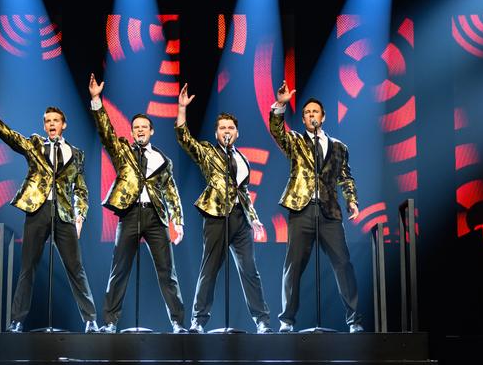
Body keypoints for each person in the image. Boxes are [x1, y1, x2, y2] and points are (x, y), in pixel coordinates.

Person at [0, 83, 98, 332]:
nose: (51, 124)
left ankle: (91, 319)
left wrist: (80, 215)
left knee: (75, 268)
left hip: (64, 214)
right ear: (44, 125)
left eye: (56, 120)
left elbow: (81, 189)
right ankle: (17, 320)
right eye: (48, 120)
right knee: (28, 267)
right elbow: (9, 136)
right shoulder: (35, 144)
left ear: (64, 125)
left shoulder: (76, 153)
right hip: (38, 210)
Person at [88, 74, 187, 334]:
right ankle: (109, 323)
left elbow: (171, 191)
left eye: (145, 127)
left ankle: (178, 323)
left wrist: (178, 221)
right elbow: (106, 133)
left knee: (167, 272)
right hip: (130, 214)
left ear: (151, 131)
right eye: (136, 128)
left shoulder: (162, 159)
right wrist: (97, 100)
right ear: (131, 132)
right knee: (119, 270)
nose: (140, 130)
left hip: (155, 217)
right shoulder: (123, 152)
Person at [175, 84, 272, 334]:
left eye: (230, 128)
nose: (226, 131)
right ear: (216, 133)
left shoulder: (242, 158)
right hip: (217, 215)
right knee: (209, 269)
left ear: (236, 133)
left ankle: (262, 320)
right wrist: (182, 109)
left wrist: (255, 219)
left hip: (240, 218)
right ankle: (198, 320)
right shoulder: (208, 151)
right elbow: (185, 140)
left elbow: (243, 191)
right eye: (222, 128)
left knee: (250, 270)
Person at [269, 80, 363, 333]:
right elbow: (277, 131)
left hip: (329, 211)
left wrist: (352, 200)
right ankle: (287, 320)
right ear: (303, 118)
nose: (311, 115)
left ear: (323, 117)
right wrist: (280, 105)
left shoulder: (339, 147)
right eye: (307, 112)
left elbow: (346, 176)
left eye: (315, 112)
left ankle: (354, 320)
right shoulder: (296, 142)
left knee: (343, 263)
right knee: (294, 265)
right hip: (302, 209)